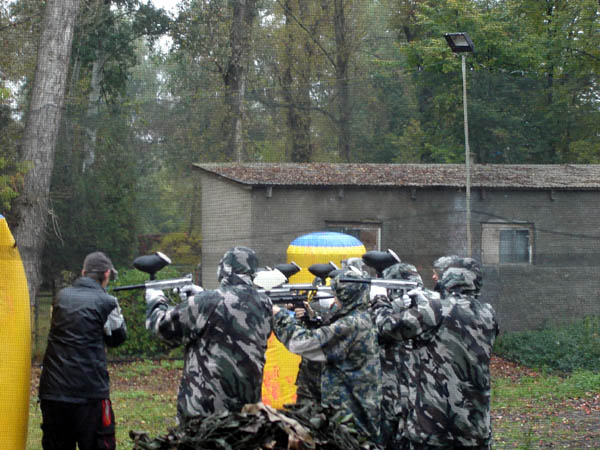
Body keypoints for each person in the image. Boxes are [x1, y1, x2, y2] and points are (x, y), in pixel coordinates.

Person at [372, 267, 499, 449]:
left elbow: (387, 327)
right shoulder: (488, 312)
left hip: (435, 424)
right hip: (475, 425)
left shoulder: (437, 308)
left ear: (447, 284)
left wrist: (380, 301)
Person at [145, 246, 273, 422]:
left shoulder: (208, 301)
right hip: (247, 408)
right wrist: (201, 295)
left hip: (205, 409)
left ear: (224, 270)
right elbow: (231, 315)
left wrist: (156, 299)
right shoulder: (265, 303)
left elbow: (162, 329)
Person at [272, 269, 382, 445]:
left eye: (337, 295)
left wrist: (278, 315)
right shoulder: (359, 318)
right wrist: (310, 319)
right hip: (351, 410)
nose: (334, 300)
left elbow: (304, 343)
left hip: (350, 414)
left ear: (347, 295)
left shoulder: (351, 324)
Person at [38, 251, 127, 450]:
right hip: (90, 393)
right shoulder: (108, 302)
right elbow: (117, 338)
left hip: (53, 392)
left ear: (83, 272)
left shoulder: (60, 297)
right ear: (106, 274)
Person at [374, 262, 424, 449]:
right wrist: (394, 306)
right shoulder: (384, 309)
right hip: (388, 387)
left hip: (413, 388)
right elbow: (379, 329)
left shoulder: (425, 310)